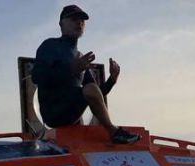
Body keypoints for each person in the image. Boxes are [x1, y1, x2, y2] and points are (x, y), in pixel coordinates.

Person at [31, 5, 140, 145]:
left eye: (82, 20)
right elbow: (37, 77)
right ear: (61, 23)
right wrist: (70, 69)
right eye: (73, 19)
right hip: (53, 113)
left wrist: (112, 80)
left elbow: (95, 94)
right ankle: (114, 132)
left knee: (90, 88)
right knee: (89, 88)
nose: (79, 22)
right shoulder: (50, 46)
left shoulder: (80, 57)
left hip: (72, 116)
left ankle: (113, 133)